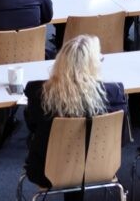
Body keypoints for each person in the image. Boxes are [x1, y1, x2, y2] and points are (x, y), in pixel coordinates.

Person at [22, 35, 128, 188]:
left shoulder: (39, 93)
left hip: (49, 170)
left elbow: (32, 126)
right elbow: (121, 138)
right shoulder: (114, 92)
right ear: (94, 65)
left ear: (59, 62)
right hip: (99, 166)